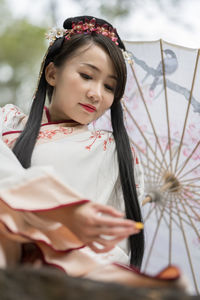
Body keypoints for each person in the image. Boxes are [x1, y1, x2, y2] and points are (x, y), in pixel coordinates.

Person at [0, 15, 185, 289]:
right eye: (87, 76)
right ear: (52, 73)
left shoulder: (113, 152)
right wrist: (62, 214)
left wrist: (79, 237)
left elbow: (116, 251)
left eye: (109, 86)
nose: (97, 94)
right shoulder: (7, 121)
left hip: (60, 277)